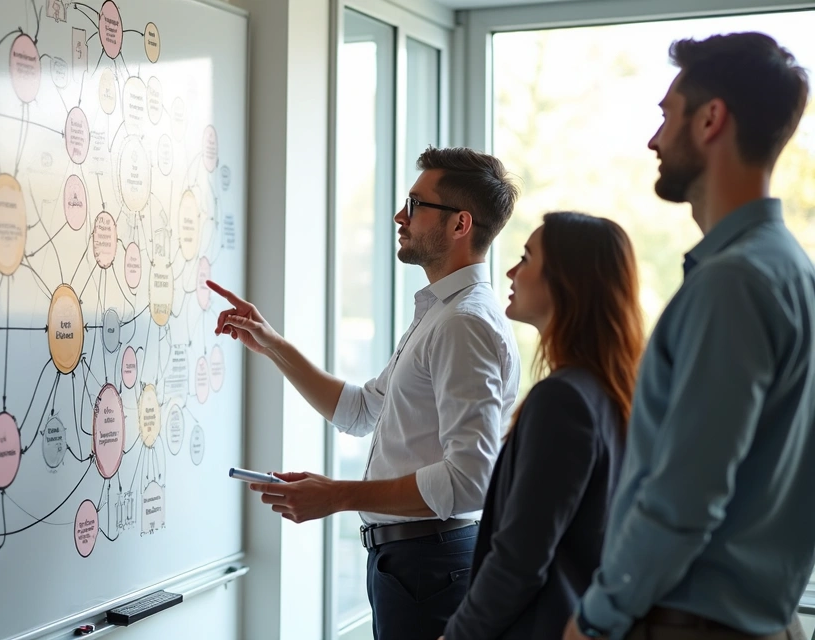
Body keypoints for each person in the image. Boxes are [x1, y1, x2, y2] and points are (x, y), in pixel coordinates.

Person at [208, 146, 521, 640]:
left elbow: (471, 479)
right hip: (413, 563)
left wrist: (336, 495)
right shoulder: (441, 314)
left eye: (417, 205)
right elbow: (360, 411)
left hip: (431, 564)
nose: (401, 216)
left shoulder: (463, 324)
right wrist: (271, 344)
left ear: (461, 225)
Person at [563, 32, 815, 640]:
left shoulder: (732, 283)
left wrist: (594, 620)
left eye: (665, 116)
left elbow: (683, 498)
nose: (653, 139)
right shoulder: (794, 272)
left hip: (688, 624)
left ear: (710, 119)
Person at [439, 212, 645, 640]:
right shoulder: (612, 393)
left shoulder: (563, 400)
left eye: (526, 258)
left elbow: (519, 556)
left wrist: (458, 636)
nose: (511, 271)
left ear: (566, 281)